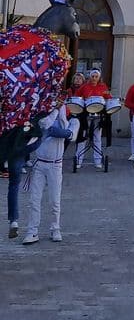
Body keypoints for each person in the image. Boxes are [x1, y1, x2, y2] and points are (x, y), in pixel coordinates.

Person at [22, 104, 78, 245]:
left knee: (54, 200)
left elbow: (69, 134)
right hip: (40, 163)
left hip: (55, 165)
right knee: (34, 199)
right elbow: (46, 125)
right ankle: (32, 231)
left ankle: (55, 228)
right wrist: (55, 110)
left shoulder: (73, 121)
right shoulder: (42, 115)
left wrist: (60, 113)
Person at [76, 68, 111, 169]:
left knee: (97, 138)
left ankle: (97, 161)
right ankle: (78, 161)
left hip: (98, 115)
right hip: (86, 114)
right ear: (89, 76)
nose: (94, 78)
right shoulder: (84, 87)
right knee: (83, 137)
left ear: (99, 77)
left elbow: (108, 97)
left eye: (96, 77)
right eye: (92, 76)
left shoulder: (103, 86)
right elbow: (77, 98)